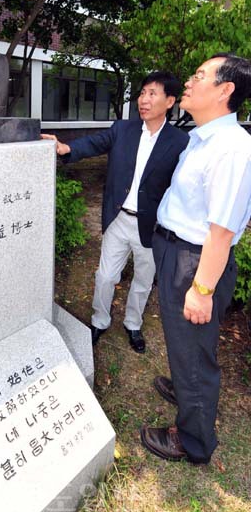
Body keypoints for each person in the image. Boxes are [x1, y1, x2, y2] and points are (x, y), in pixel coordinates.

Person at [141, 53, 251, 464]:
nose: (188, 81)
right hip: (177, 251)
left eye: (200, 75)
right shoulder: (203, 137)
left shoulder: (233, 149)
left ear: (225, 91)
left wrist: (202, 290)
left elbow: (221, 232)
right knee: (185, 344)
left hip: (195, 261)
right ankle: (187, 389)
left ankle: (193, 440)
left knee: (195, 354)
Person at [42, 71, 188, 353]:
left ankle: (133, 324)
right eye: (142, 93)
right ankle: (100, 320)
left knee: (143, 281)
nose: (143, 100)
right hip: (119, 219)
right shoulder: (123, 129)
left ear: (170, 101)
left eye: (152, 94)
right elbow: (94, 143)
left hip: (153, 225)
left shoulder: (180, 142)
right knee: (106, 276)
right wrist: (66, 147)